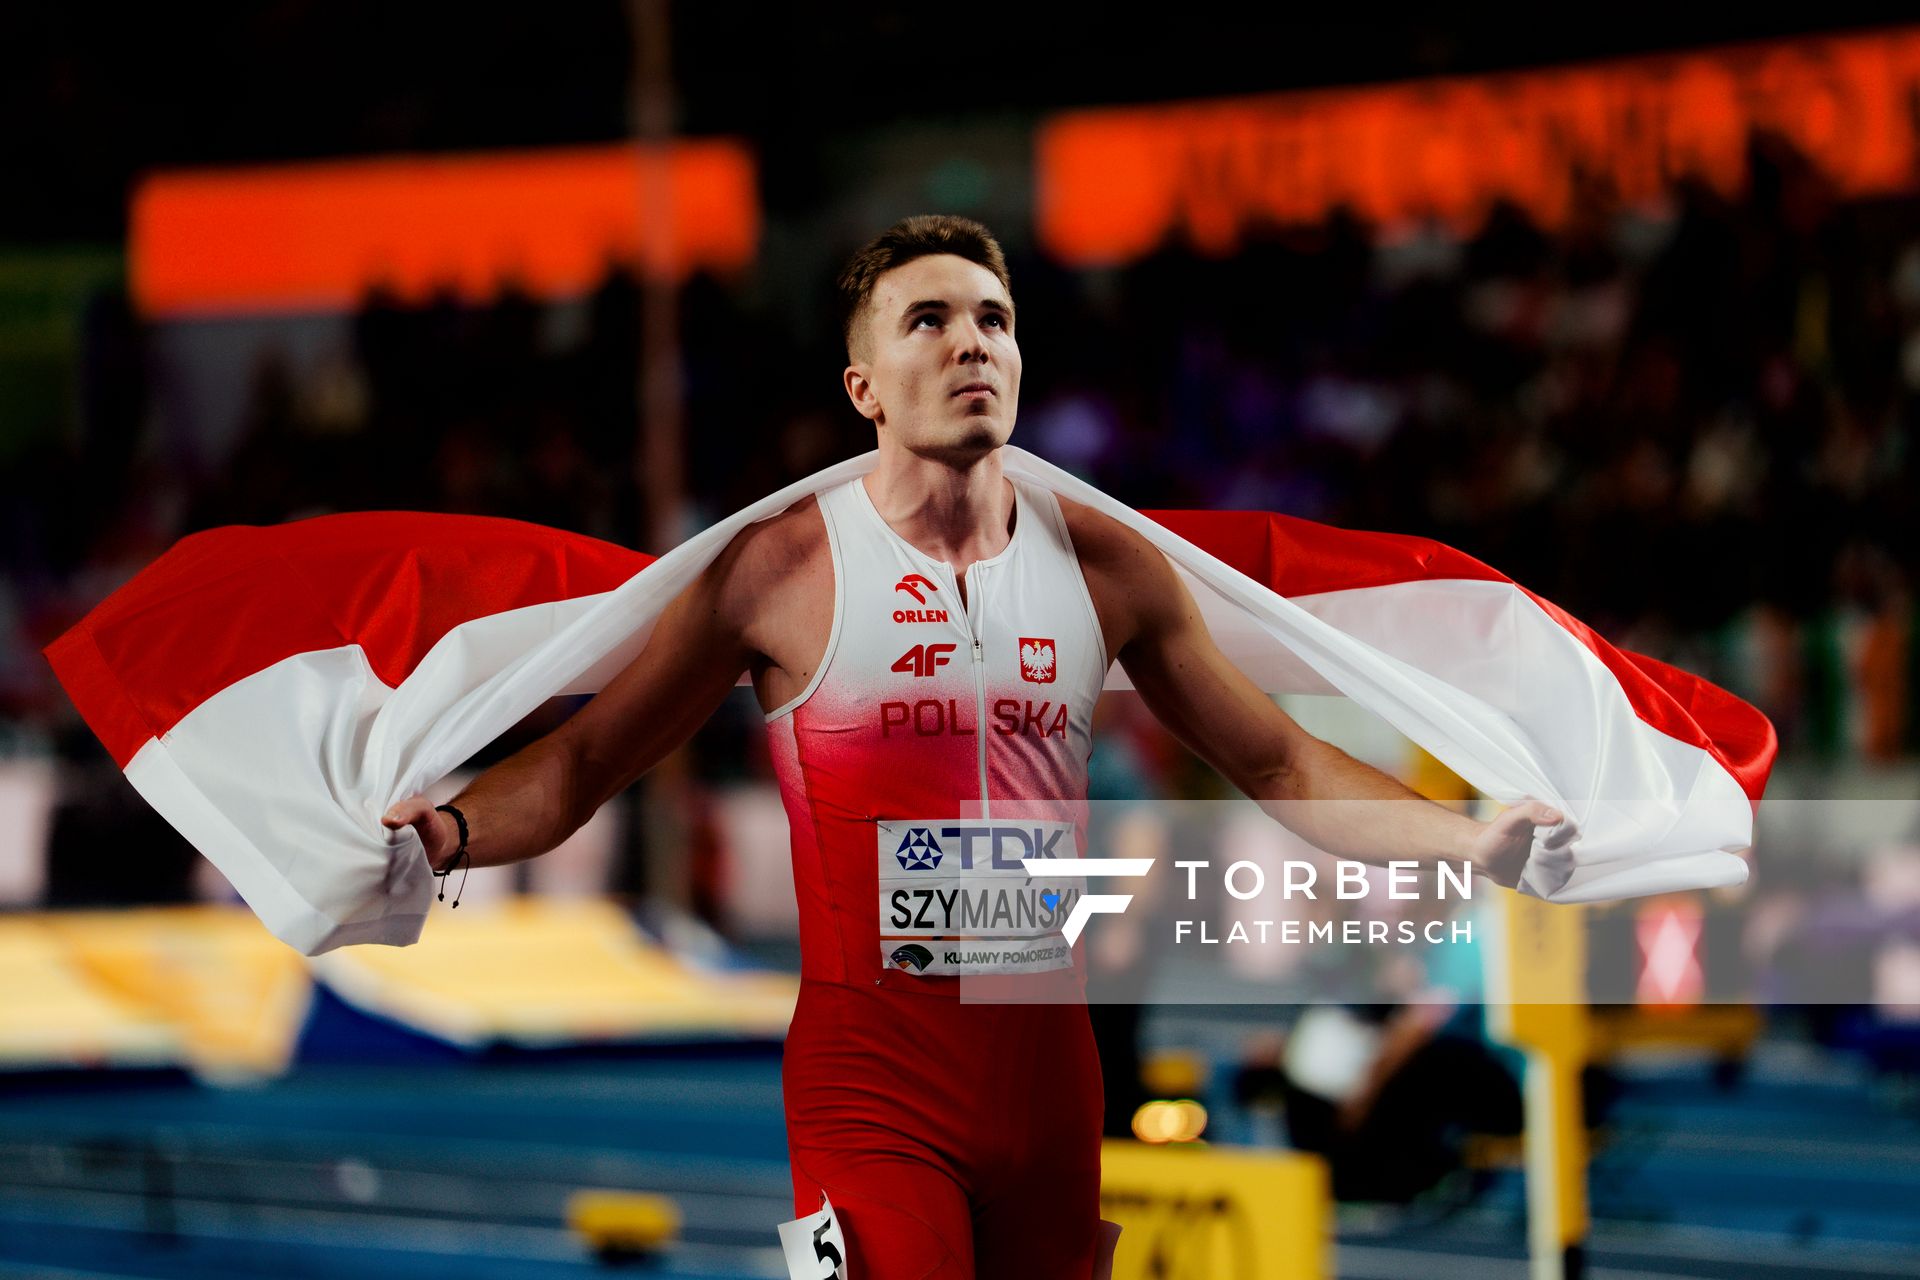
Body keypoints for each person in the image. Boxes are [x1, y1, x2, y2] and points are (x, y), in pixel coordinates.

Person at [380, 215, 1561, 1278]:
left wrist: (1473, 840)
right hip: (872, 1083)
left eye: (993, 318)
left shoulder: (1108, 565)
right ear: (866, 389)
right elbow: (586, 764)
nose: (970, 343)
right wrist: (452, 828)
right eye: (929, 320)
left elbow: (1284, 764)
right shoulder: (782, 572)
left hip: (1051, 1083)